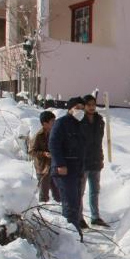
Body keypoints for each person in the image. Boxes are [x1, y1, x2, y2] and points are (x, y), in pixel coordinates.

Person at [49, 97, 87, 236]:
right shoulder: (61, 123)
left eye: (82, 108)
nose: (80, 111)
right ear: (70, 109)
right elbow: (53, 144)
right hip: (64, 170)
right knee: (69, 205)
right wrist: (60, 164)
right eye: (77, 108)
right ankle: (71, 238)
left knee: (76, 204)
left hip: (77, 170)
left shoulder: (80, 125)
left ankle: (76, 235)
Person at [79, 94, 108, 228]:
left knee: (95, 191)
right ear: (84, 106)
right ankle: (79, 217)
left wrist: (101, 158)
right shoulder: (79, 120)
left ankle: (95, 217)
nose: (91, 107)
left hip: (96, 160)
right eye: (89, 105)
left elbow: (99, 142)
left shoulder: (99, 120)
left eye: (93, 105)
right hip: (83, 161)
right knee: (80, 191)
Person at [29, 111, 60, 202]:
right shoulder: (38, 136)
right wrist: (43, 154)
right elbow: (31, 151)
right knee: (44, 192)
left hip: (54, 166)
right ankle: (44, 210)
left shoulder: (55, 134)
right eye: (52, 122)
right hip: (43, 168)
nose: (54, 123)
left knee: (58, 190)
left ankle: (59, 207)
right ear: (45, 124)